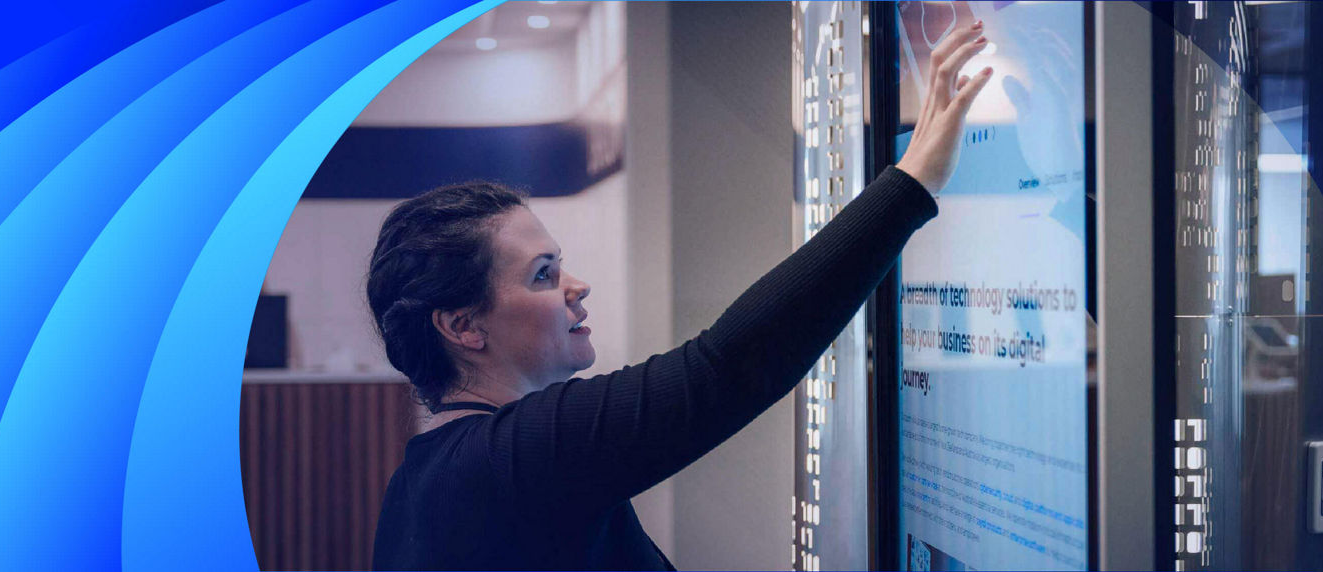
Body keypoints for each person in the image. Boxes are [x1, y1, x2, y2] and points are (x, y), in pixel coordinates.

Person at [368, 21, 995, 571]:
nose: (575, 286)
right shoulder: (510, 459)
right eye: (543, 274)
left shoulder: (426, 479)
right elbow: (726, 368)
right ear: (461, 326)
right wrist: (912, 185)